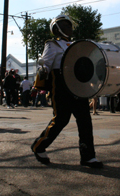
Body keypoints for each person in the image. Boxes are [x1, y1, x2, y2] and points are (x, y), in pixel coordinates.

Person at [31, 14, 103, 168]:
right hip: (61, 85)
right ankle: (39, 146)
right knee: (61, 119)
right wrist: (42, 69)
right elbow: (45, 64)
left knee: (84, 120)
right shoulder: (52, 45)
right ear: (57, 29)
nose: (69, 28)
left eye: (69, 26)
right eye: (65, 26)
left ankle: (88, 156)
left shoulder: (75, 45)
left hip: (78, 84)